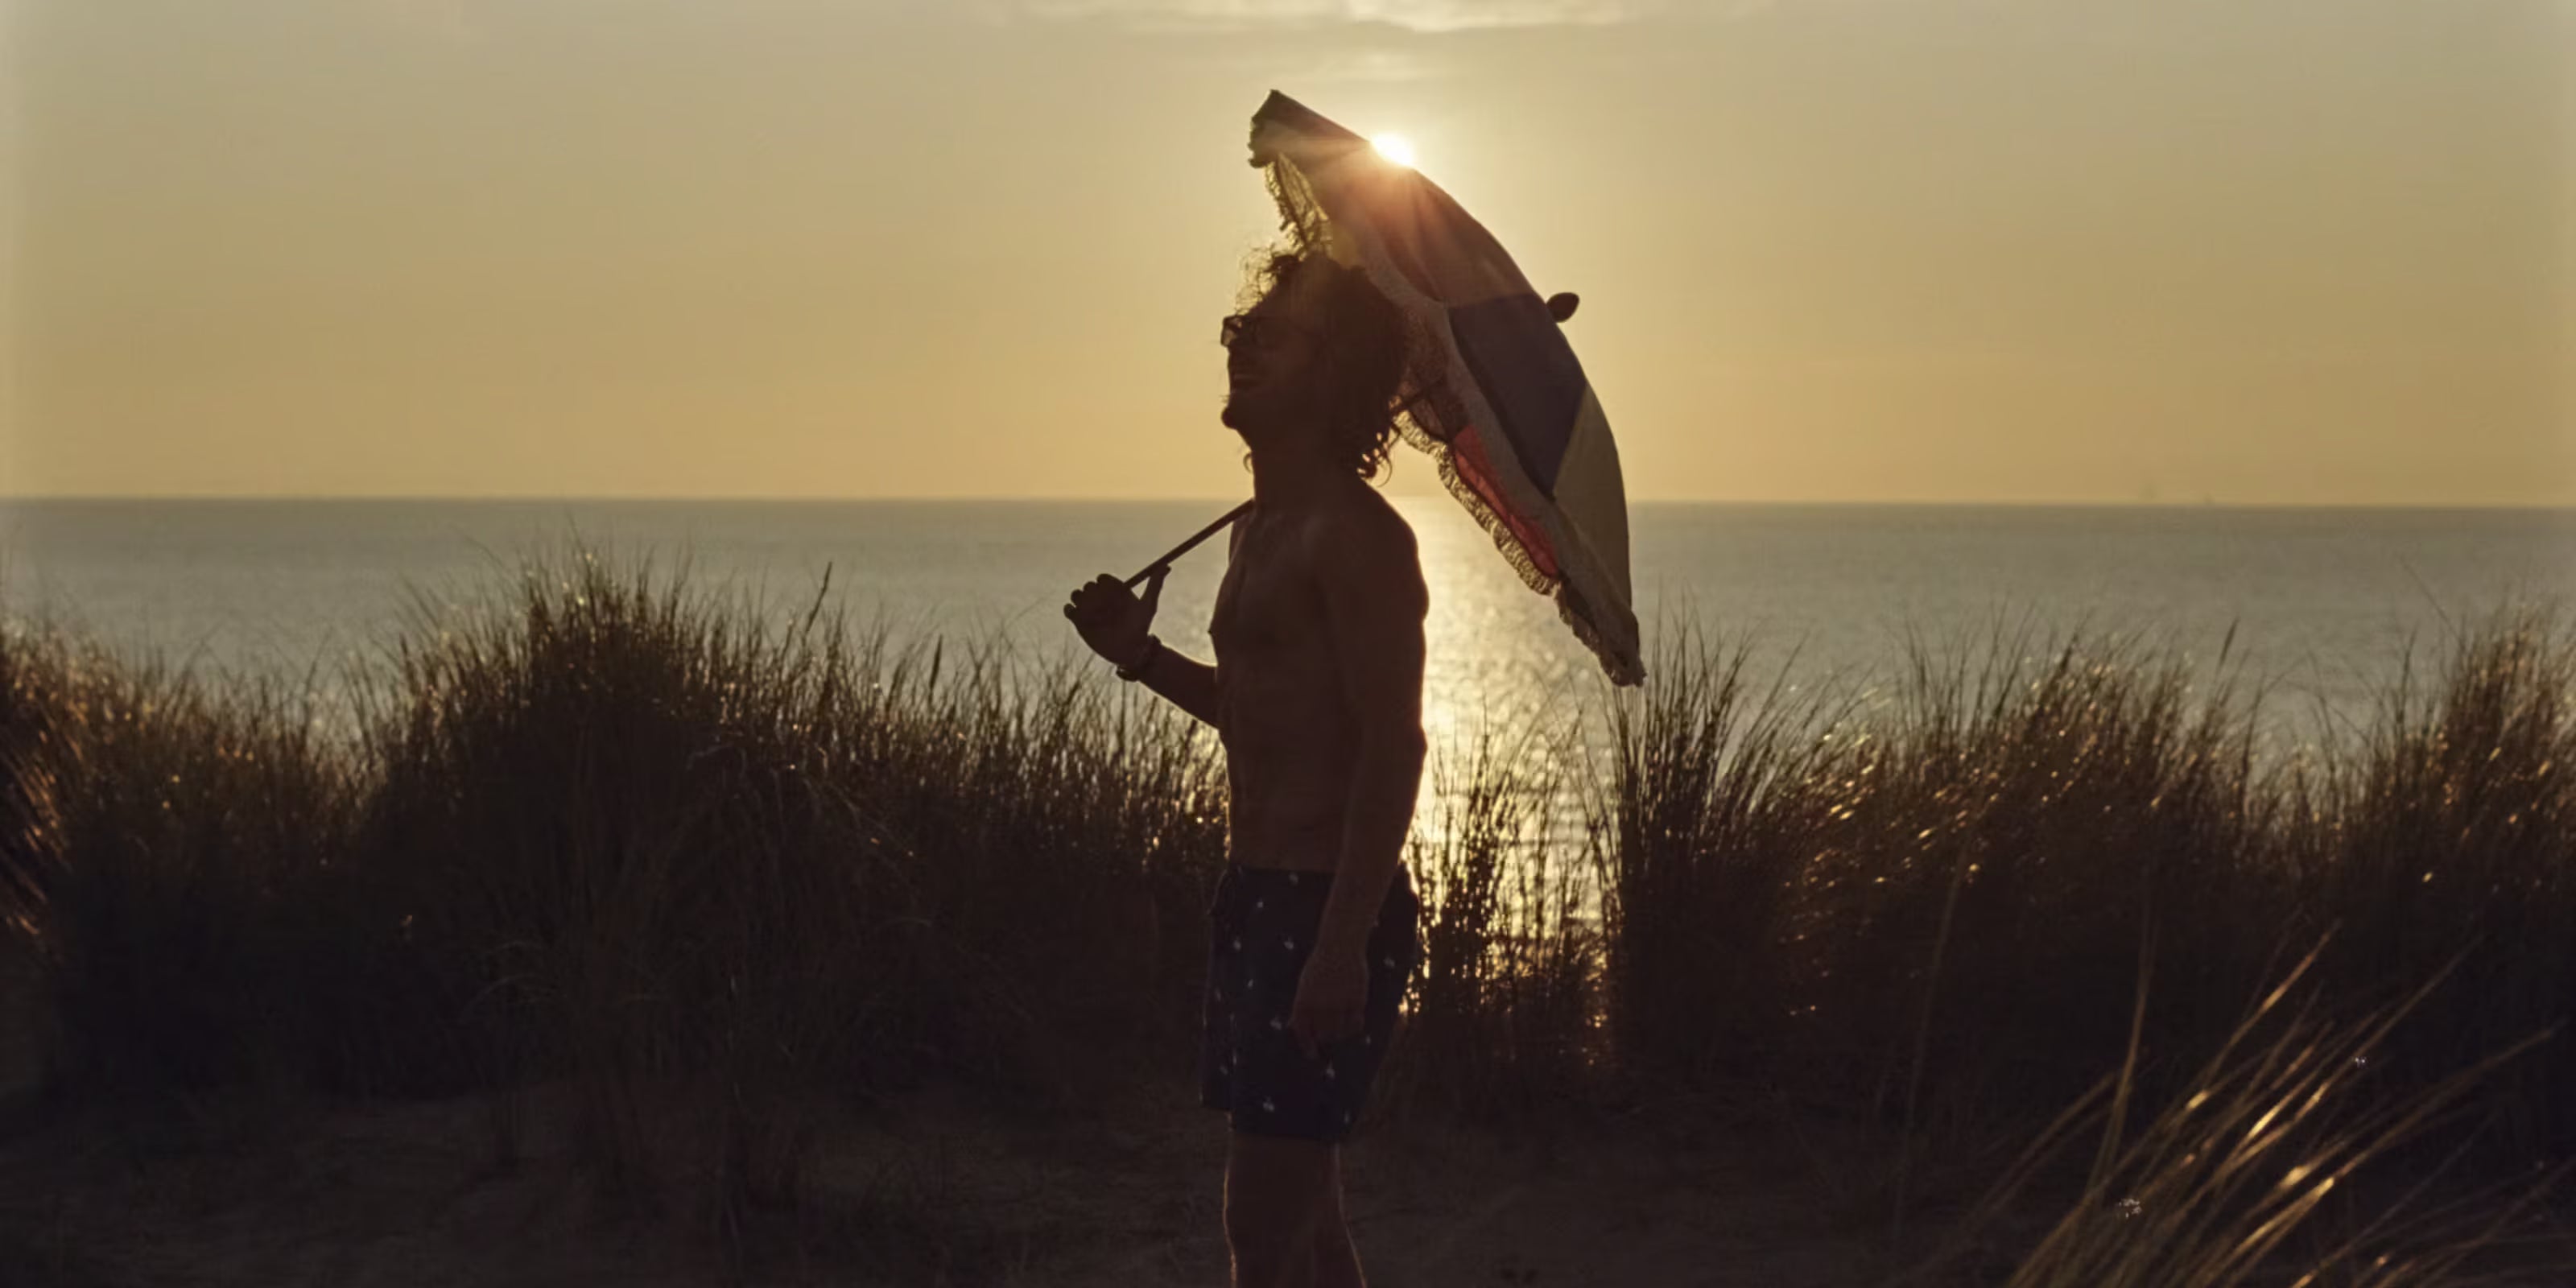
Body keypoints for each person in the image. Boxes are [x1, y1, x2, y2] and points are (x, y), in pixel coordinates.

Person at [1063, 248, 1426, 1288]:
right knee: (1308, 1227)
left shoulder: (1358, 541)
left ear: (1336, 371)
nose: (1243, 348)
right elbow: (1263, 720)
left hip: (1324, 906)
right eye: (1241, 332)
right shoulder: (1258, 533)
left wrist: (1340, 947)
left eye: (1274, 337)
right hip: (1256, 891)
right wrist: (1139, 657)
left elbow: (1391, 747)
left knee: (1259, 1228)